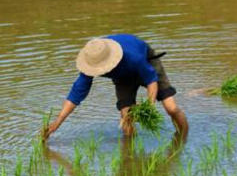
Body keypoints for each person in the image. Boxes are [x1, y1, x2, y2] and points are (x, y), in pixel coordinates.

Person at [43, 34, 188, 140]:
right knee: (126, 118)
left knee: (171, 108)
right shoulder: (93, 60)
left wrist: (148, 107)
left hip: (148, 64)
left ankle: (182, 139)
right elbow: (76, 95)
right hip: (122, 76)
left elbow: (151, 80)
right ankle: (129, 157)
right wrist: (57, 122)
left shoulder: (133, 58)